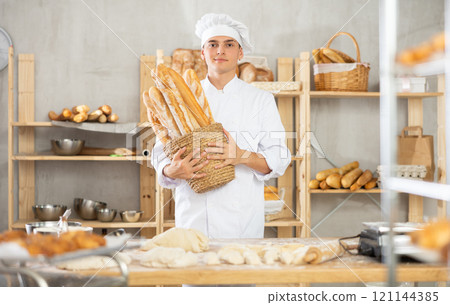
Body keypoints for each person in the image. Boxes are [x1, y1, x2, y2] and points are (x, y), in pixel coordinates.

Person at [151, 13, 291, 239]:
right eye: (212, 44)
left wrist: (242, 156)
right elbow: (159, 153)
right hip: (192, 219)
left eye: (229, 44)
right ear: (203, 53)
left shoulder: (260, 100)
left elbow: (280, 157)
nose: (220, 51)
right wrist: (171, 170)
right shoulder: (180, 98)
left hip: (242, 224)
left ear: (240, 53)